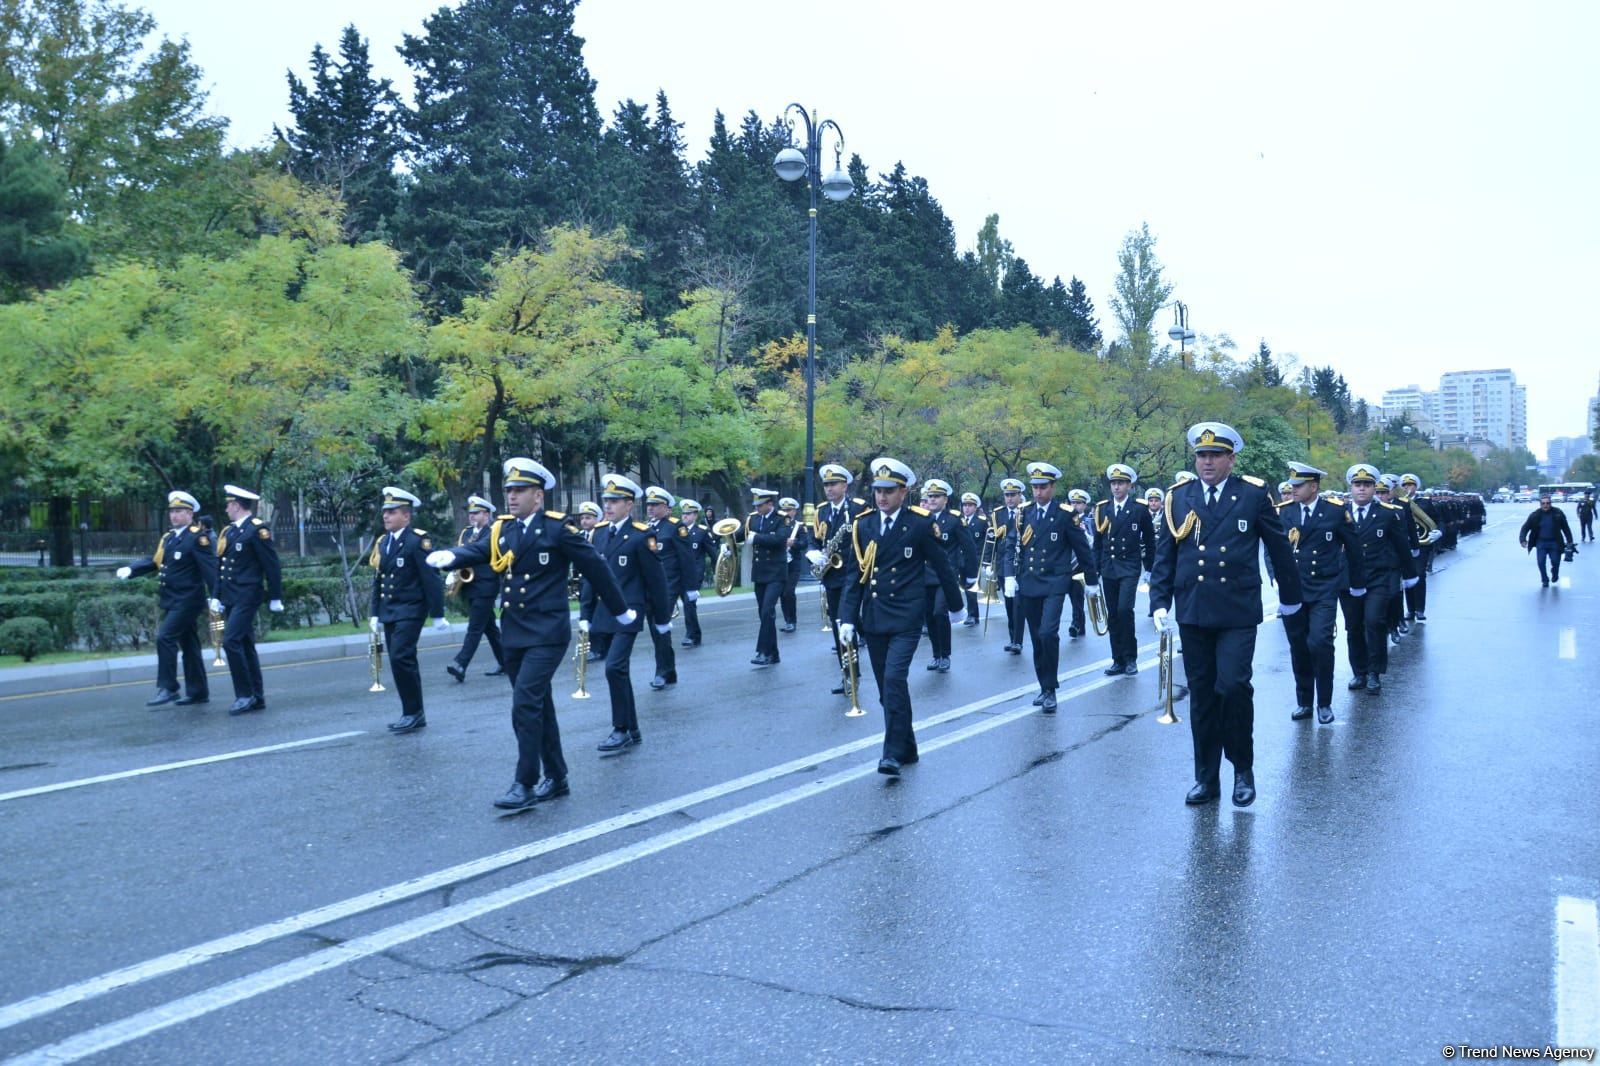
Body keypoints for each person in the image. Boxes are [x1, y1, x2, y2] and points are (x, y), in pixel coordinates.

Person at [427, 459, 631, 809]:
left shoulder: (557, 529)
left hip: (547, 632)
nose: (511, 496)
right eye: (508, 490)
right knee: (538, 705)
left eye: (519, 490)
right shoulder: (503, 530)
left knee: (524, 703)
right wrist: (452, 556)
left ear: (538, 496)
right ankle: (557, 776)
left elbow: (595, 567)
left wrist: (620, 610)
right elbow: (479, 551)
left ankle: (525, 782)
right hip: (515, 632)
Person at [1148, 422, 1302, 808]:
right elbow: (1166, 554)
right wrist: (1159, 602)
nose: (1207, 462)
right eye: (1202, 455)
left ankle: (1242, 770)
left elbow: (1279, 548)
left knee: (1233, 687)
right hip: (1194, 608)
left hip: (1237, 609)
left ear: (1231, 459)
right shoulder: (1178, 497)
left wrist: (1291, 597)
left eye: (1215, 455)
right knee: (1201, 695)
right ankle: (1206, 777)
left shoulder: (1252, 494)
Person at [837, 458, 966, 776]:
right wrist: (847, 618)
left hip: (907, 616)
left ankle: (891, 754)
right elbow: (855, 575)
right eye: (878, 490)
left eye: (889, 491)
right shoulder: (864, 524)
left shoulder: (919, 523)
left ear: (904, 492)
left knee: (894, 680)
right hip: (875, 617)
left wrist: (956, 605)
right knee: (886, 690)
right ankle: (907, 746)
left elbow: (942, 565)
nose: (882, 497)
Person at [585, 475, 672, 752]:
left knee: (613, 667)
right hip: (604, 612)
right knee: (619, 671)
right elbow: (591, 576)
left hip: (630, 612)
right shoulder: (599, 533)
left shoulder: (641, 535)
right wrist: (585, 614)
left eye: (614, 501)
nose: (608, 506)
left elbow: (656, 582)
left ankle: (620, 729)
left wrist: (662, 620)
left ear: (629, 504)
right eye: (606, 500)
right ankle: (632, 729)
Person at [1004, 462, 1099, 713]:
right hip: (1029, 582)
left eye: (1043, 487)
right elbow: (1011, 546)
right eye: (1035, 487)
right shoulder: (1023, 513)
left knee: (1048, 633)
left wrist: (1091, 581)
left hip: (1056, 582)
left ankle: (1051, 688)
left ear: (1053, 487)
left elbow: (1082, 549)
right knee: (1037, 638)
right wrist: (1009, 576)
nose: (1038, 492)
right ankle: (1044, 686)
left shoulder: (1065, 514)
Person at [1279, 463, 1366, 724]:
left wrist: (1357, 583)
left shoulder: (1335, 511)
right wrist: (1275, 575)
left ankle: (1324, 703)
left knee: (1320, 642)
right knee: (1298, 646)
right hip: (1294, 589)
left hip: (1324, 588)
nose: (1293, 490)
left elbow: (1354, 549)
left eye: (1299, 485)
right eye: (1292, 485)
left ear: (1314, 487)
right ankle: (1304, 702)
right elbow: (1274, 548)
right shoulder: (1284, 512)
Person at [117, 489, 218, 707]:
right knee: (189, 644)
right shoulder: (169, 538)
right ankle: (198, 691)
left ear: (190, 514)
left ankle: (169, 688)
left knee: (165, 637)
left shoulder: (197, 538)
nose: (174, 515)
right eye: (172, 511)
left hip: (188, 600)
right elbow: (155, 561)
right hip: (172, 599)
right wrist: (132, 569)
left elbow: (210, 570)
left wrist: (217, 596)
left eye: (179, 511)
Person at [369, 487, 449, 734]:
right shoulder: (384, 542)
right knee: (400, 660)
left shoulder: (417, 541)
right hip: (390, 611)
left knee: (401, 657)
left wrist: (437, 614)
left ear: (406, 516)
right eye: (385, 511)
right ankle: (412, 712)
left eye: (392, 511)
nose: (386, 516)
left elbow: (431, 579)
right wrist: (374, 612)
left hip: (411, 610)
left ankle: (413, 713)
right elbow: (379, 579)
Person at [1338, 465, 1418, 694]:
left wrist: (1409, 574)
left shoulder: (1387, 513)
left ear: (1374, 488)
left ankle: (1374, 672)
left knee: (1374, 622)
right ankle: (1359, 672)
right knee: (1353, 627)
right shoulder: (1338, 512)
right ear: (1351, 487)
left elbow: (1401, 545)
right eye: (1357, 484)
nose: (1362, 489)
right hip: (1348, 580)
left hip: (1377, 578)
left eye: (1367, 485)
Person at [210, 485, 284, 716]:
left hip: (248, 595)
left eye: (228, 505)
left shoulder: (257, 530)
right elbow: (221, 567)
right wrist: (216, 596)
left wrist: (275, 596)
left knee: (230, 641)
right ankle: (256, 696)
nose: (226, 509)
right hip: (231, 596)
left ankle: (244, 695)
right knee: (244, 644)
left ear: (236, 506)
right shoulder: (230, 532)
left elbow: (271, 565)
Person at [805, 463, 867, 693]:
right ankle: (848, 675)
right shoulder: (821, 511)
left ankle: (855, 673)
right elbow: (813, 539)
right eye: (826, 485)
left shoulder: (859, 508)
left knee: (850, 621)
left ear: (845, 486)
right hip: (832, 576)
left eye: (834, 484)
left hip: (856, 574)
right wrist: (812, 553)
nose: (829, 489)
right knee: (838, 626)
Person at [1092, 464, 1157, 677]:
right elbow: (1098, 543)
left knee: (1124, 610)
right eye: (1113, 483)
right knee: (1112, 614)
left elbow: (1149, 541)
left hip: (1129, 566)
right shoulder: (1102, 509)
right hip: (1109, 566)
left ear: (1129, 486)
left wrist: (1150, 569)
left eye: (1121, 483)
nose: (1116, 487)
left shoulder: (1139, 509)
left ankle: (1130, 658)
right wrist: (1094, 572)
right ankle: (1117, 659)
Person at [918, 479, 977, 673]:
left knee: (939, 612)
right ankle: (936, 654)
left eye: (937, 496)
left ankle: (945, 655)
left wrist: (971, 575)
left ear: (945, 499)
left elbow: (969, 548)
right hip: (925, 575)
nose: (932, 500)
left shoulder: (954, 519)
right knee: (928, 616)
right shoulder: (921, 519)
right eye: (930, 496)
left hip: (946, 576)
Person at [446, 495, 505, 682]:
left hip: (486, 586)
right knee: (489, 628)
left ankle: (460, 664)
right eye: (470, 513)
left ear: (486, 515)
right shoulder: (466, 533)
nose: (471, 516)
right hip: (470, 587)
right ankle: (506, 662)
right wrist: (453, 571)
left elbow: (481, 552)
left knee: (475, 627)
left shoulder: (493, 533)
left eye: (476, 513)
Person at [738, 488, 788, 665]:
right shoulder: (753, 519)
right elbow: (740, 535)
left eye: (760, 505)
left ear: (770, 504)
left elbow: (780, 539)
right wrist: (727, 542)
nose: (757, 508)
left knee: (767, 611)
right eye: (756, 505)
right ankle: (774, 653)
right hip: (760, 573)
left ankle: (763, 652)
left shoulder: (781, 518)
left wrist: (757, 538)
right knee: (764, 614)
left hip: (776, 572)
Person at [991, 478, 1027, 654]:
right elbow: (993, 540)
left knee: (1018, 604)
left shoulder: (1026, 511)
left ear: (1020, 495)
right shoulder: (998, 514)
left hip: (1021, 563)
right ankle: (1012, 637)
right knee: (1009, 604)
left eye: (1013, 495)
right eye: (1007, 495)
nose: (1010, 498)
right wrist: (989, 564)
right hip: (1003, 564)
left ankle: (1018, 641)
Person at [1519, 493, 1576, 587]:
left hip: (1555, 542)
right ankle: (1544, 579)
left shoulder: (1558, 513)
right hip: (1541, 543)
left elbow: (1566, 528)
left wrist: (1570, 541)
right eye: (1543, 503)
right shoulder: (1535, 515)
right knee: (1541, 562)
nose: (1545, 505)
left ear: (1550, 503)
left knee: (1555, 561)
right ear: (1540, 504)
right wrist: (1523, 540)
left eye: (1548, 503)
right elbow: (1525, 528)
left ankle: (1555, 573)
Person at [676, 499, 711, 647]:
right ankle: (696, 634)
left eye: (688, 513)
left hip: (695, 574)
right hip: (680, 574)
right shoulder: (678, 531)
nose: (684, 516)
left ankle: (690, 635)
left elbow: (712, 552)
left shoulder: (701, 531)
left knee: (689, 604)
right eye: (683, 513)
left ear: (695, 515)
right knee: (687, 604)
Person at [1063, 488, 1094, 638]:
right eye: (1073, 502)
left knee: (1077, 597)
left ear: (1085, 505)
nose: (1075, 505)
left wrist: (1084, 533)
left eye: (1079, 503)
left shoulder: (1089, 521)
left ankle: (1076, 624)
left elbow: (1093, 542)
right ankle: (1079, 625)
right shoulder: (1064, 519)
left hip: (1080, 565)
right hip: (1065, 563)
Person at [778, 497, 810, 632]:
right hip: (780, 564)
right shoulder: (778, 525)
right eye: (784, 510)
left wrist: (793, 543)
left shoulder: (799, 526)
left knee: (788, 592)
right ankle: (787, 621)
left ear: (795, 511)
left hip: (793, 564)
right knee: (782, 594)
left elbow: (804, 543)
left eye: (789, 510)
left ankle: (792, 621)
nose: (786, 512)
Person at [958, 492, 988, 625]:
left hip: (974, 560)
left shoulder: (982, 522)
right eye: (965, 505)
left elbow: (987, 542)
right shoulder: (958, 521)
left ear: (975, 507)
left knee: (970, 588)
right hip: (959, 559)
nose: (967, 508)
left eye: (970, 505)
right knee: (962, 586)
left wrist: (985, 560)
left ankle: (972, 615)